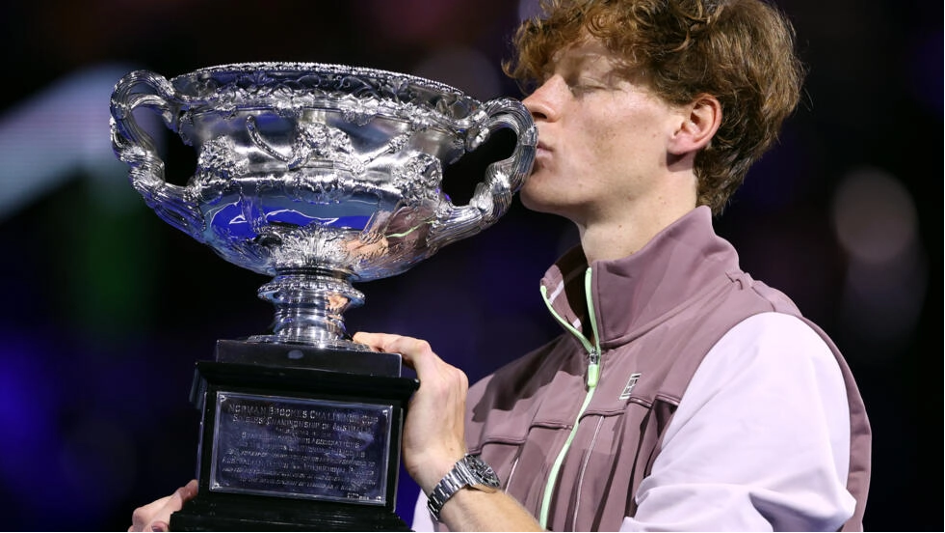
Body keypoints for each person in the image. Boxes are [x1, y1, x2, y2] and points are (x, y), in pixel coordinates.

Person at [129, 0, 872, 531]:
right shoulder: (490, 400)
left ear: (691, 123)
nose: (534, 105)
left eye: (583, 84)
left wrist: (452, 471)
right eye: (539, 82)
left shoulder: (763, 354)